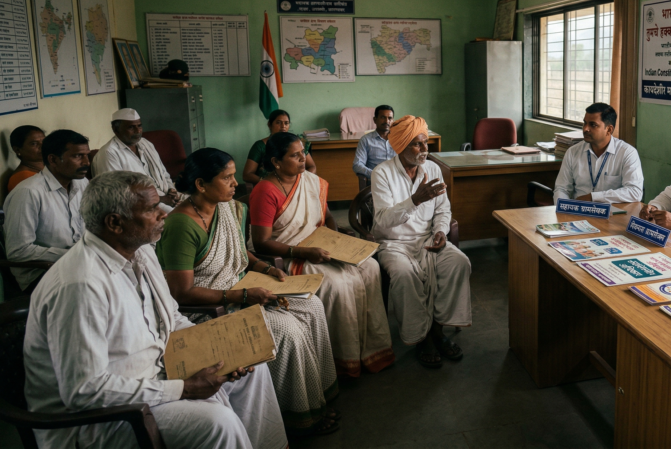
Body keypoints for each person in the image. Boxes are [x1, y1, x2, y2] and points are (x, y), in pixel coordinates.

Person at [24, 171, 288, 449]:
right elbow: (84, 391)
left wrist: (220, 348)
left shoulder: (141, 251)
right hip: (104, 418)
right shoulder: (80, 284)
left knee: (252, 369)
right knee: (217, 422)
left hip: (160, 373)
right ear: (115, 222)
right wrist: (184, 388)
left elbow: (170, 317)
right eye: (151, 209)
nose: (164, 213)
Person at [157, 148, 340, 435]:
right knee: (287, 330)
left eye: (233, 176)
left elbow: (239, 252)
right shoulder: (182, 224)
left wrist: (266, 270)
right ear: (201, 185)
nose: (235, 183)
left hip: (241, 290)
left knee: (312, 306)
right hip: (208, 309)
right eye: (227, 177)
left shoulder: (228, 208)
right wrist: (242, 296)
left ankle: (317, 396)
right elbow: (182, 293)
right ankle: (297, 415)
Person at [250, 132, 393, 378]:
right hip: (292, 254)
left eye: (303, 153)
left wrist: (337, 242)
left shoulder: (310, 181)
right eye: (294, 156)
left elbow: (326, 218)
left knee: (369, 267)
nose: (303, 160)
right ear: (276, 162)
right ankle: (343, 358)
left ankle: (371, 350)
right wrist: (305, 251)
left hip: (320, 246)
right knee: (338, 284)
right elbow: (262, 243)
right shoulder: (265, 190)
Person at [371, 115, 472, 368]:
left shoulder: (434, 169)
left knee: (460, 263)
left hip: (428, 239)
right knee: (405, 275)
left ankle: (438, 329)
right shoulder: (381, 173)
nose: (425, 149)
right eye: (417, 144)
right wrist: (415, 199)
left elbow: (443, 210)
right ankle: (421, 337)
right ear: (400, 146)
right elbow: (382, 220)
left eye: (426, 143)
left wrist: (440, 231)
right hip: (394, 244)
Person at [2, 130, 90, 293]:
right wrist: (73, 255)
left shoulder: (82, 183)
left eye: (86, 155)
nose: (87, 162)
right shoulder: (28, 193)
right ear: (53, 159)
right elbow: (18, 251)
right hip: (42, 273)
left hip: (78, 263)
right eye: (78, 156)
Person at [92, 108, 181, 212]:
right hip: (143, 205)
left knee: (200, 204)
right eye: (131, 127)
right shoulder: (109, 154)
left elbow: (164, 173)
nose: (138, 131)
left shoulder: (145, 144)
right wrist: (160, 199)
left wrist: (172, 190)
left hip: (167, 197)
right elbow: (116, 194)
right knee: (185, 217)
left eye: (139, 126)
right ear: (115, 130)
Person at [553, 103, 643, 203]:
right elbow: (561, 189)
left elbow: (634, 192)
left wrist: (593, 197)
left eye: (593, 125)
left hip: (613, 213)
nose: (585, 129)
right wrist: (563, 208)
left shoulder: (627, 153)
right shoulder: (573, 152)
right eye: (585, 123)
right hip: (579, 211)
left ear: (609, 129)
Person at [243, 109, 317, 186]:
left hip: (295, 185)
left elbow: (311, 166)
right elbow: (247, 175)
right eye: (278, 123)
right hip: (269, 187)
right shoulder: (260, 146)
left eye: (286, 123)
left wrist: (303, 180)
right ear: (269, 125)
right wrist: (268, 183)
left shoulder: (296, 144)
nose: (283, 126)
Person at [352, 104, 396, 184]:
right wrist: (376, 174)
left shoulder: (399, 139)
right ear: (375, 120)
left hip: (397, 181)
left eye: (390, 118)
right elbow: (357, 165)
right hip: (376, 183)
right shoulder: (366, 140)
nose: (387, 121)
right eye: (383, 117)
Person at [7, 125, 45, 192]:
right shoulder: (22, 177)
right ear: (17, 150)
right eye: (34, 143)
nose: (42, 146)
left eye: (44, 141)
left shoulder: (49, 166)